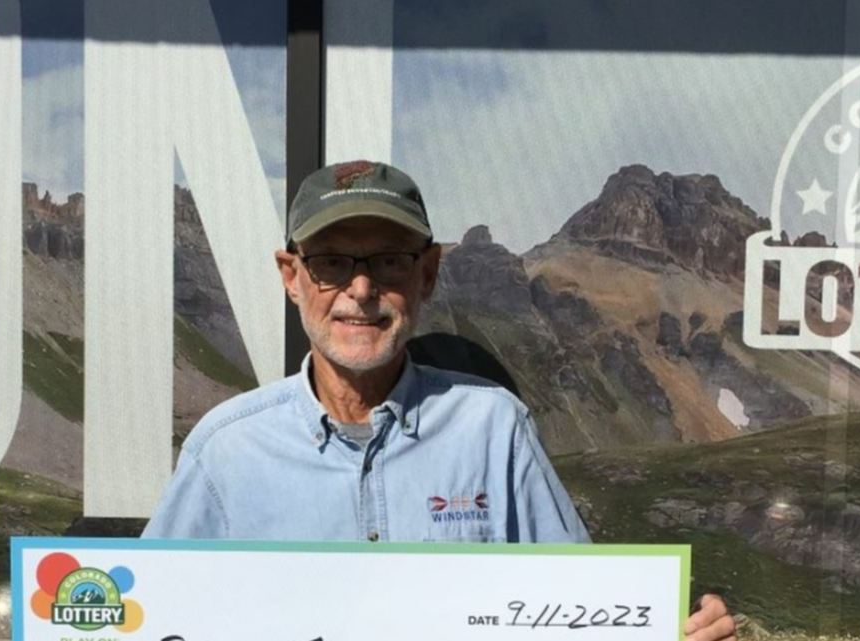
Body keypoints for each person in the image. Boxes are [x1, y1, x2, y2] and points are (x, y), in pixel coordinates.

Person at [144, 160, 737, 641]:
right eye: (330, 263)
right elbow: (147, 621)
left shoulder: (494, 427)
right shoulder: (224, 452)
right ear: (291, 275)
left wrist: (672, 634)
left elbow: (579, 617)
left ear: (427, 274)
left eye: (389, 261)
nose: (361, 288)